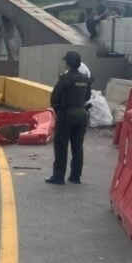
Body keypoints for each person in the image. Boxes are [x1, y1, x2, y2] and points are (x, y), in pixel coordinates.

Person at [46, 51, 92, 185]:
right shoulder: (85, 79)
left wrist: (59, 111)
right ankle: (75, 176)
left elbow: (55, 97)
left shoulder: (65, 78)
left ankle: (58, 177)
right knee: (78, 147)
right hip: (82, 115)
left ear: (68, 63)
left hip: (67, 115)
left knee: (61, 146)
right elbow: (87, 97)